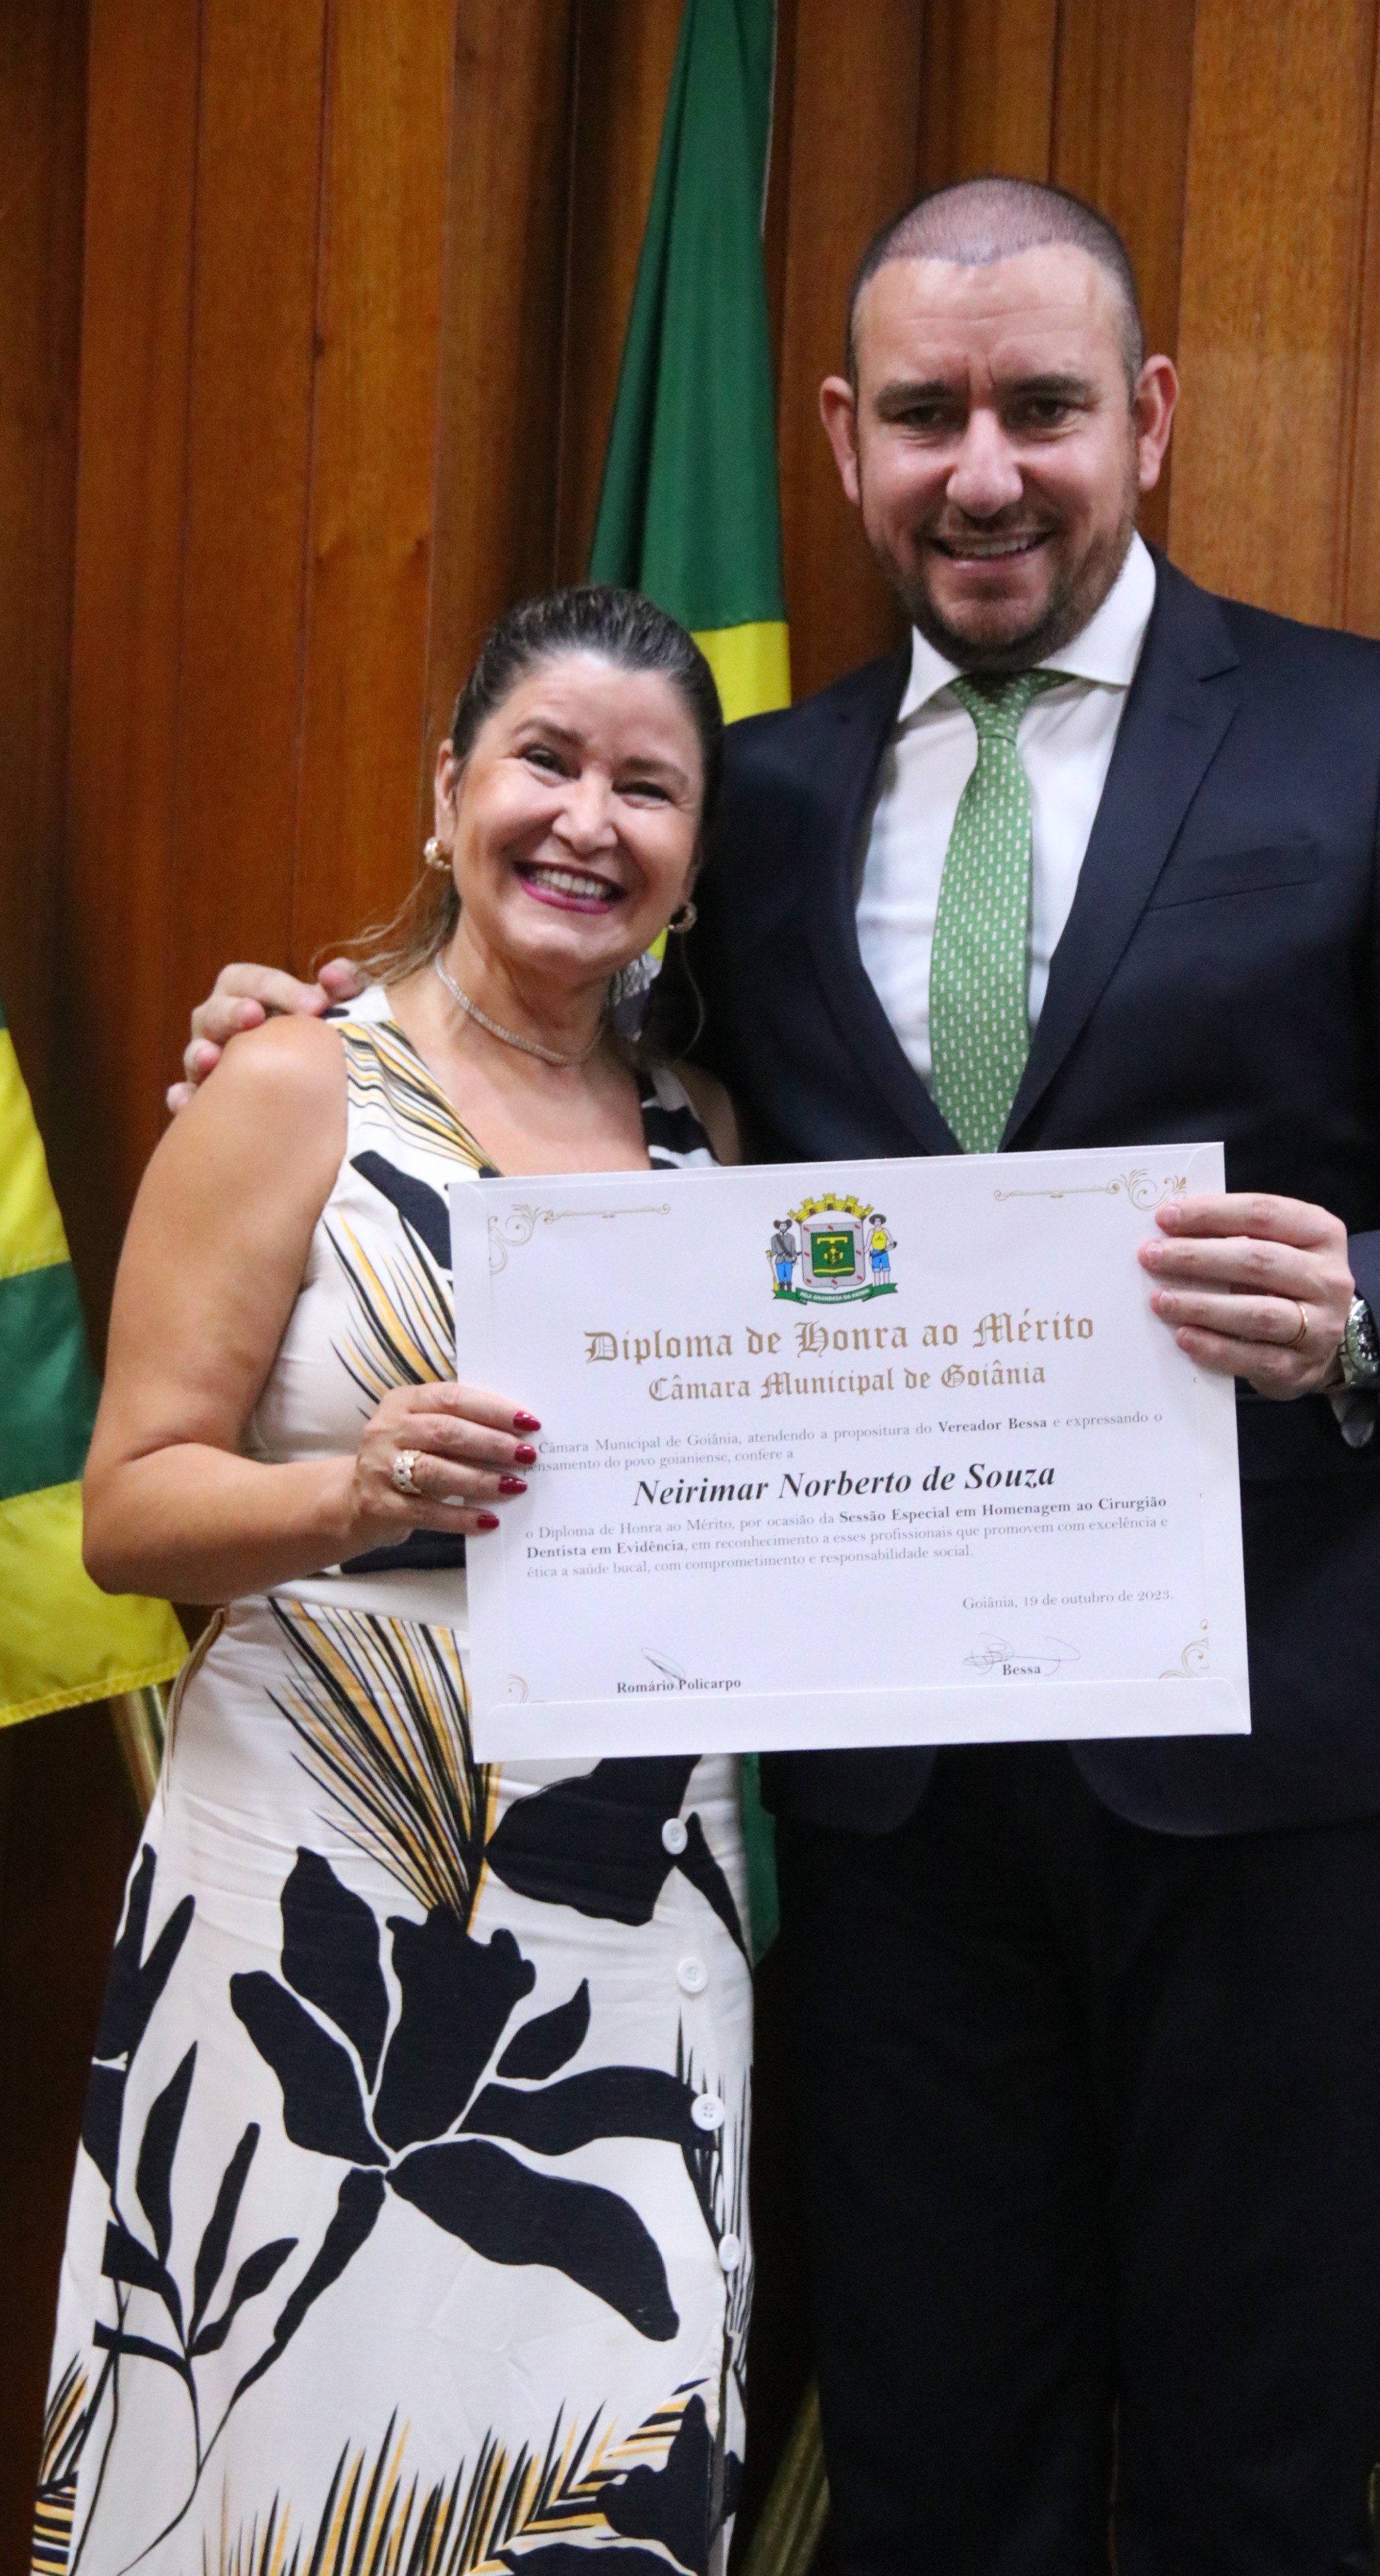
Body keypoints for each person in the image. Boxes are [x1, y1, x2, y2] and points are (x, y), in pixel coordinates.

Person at [177, 180, 1380, 2576]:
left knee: (1261, 2475)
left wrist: (1370, 1303)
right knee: (941, 2471)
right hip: (893, 1804)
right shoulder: (744, 797)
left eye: (1044, 409)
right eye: (931, 415)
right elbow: (575, 1076)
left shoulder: (1376, 733)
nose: (987, 470)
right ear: (849, 440)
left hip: (1286, 1771)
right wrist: (315, 1035)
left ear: (1148, 419)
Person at [44, 589, 755, 2576]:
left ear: (695, 856)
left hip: (636, 1913)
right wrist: (349, 1493)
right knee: (287, 2441)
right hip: (316, 1891)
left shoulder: (709, 1143)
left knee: (584, 2459)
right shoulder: (292, 1085)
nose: (588, 820)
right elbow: (126, 1509)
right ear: (448, 794)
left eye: (648, 788)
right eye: (546, 762)